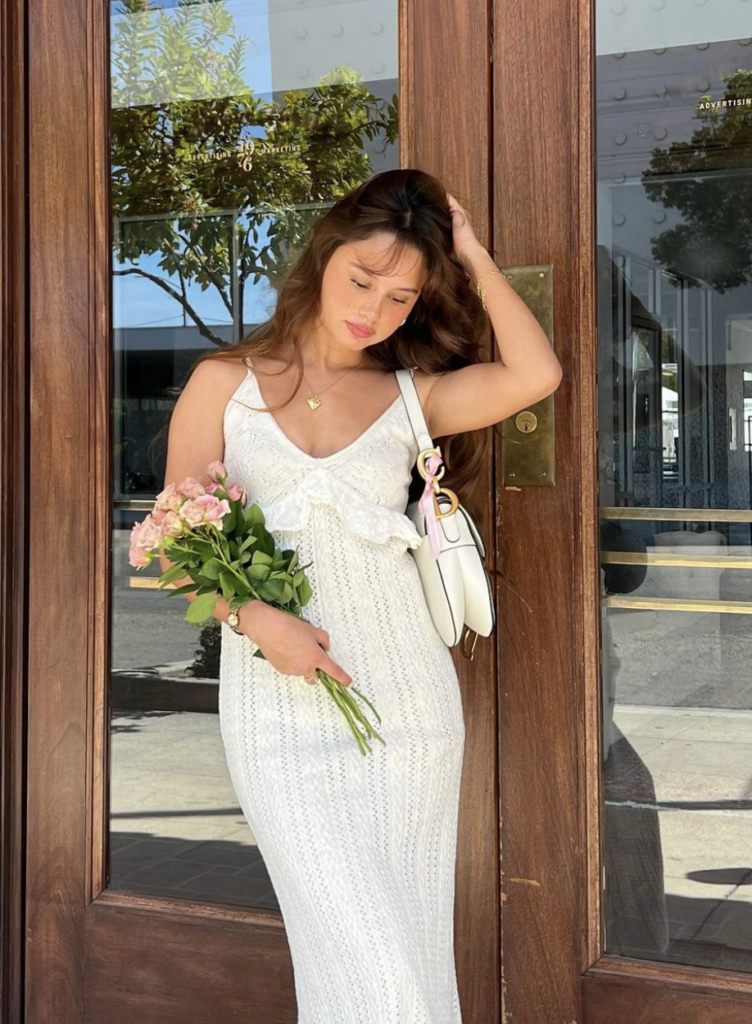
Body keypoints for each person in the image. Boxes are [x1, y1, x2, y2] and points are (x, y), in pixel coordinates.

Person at [161, 168, 562, 1023]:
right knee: (355, 946)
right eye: (362, 279)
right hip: (275, 710)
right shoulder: (219, 387)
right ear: (324, 255)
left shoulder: (410, 401)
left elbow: (537, 374)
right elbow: (177, 544)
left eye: (402, 297)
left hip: (407, 709)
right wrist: (258, 620)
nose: (375, 310)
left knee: (405, 945)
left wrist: (477, 260)